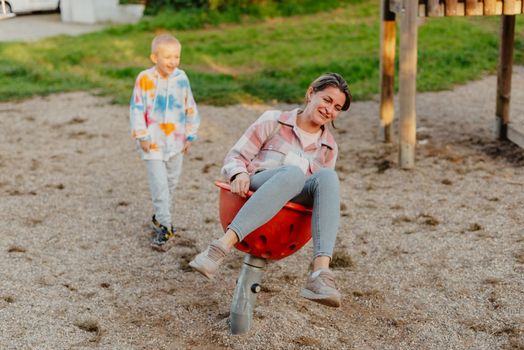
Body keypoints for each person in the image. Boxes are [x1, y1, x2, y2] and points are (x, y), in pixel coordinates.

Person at [190, 73, 351, 307]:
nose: (329, 110)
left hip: (290, 211)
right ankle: (219, 248)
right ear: (310, 93)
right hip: (256, 186)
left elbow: (321, 194)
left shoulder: (329, 147)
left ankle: (320, 274)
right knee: (293, 173)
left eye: (337, 108)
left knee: (327, 176)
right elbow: (236, 156)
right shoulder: (274, 121)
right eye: (326, 100)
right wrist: (239, 173)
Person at [129, 33, 200, 251]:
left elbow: (190, 106)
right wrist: (141, 135)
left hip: (176, 141)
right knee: (159, 184)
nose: (172, 61)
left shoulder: (181, 78)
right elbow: (137, 107)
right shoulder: (145, 79)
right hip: (153, 143)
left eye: (176, 56)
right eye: (167, 57)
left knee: (171, 182)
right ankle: (166, 226)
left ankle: (159, 217)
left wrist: (189, 134)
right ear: (154, 57)